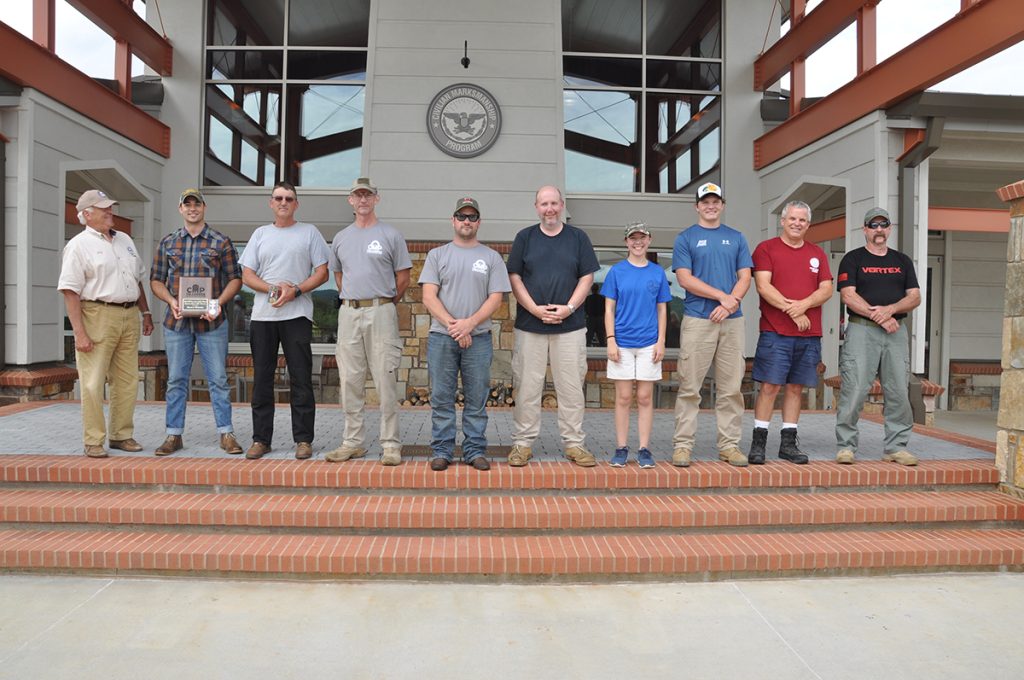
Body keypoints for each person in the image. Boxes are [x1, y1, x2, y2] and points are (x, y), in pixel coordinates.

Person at [506, 186, 600, 467]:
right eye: (544, 203)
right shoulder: (525, 238)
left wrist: (569, 308)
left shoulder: (578, 238)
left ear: (562, 206)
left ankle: (574, 444)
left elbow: (587, 277)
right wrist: (533, 308)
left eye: (554, 203)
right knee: (527, 388)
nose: (549, 209)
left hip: (570, 327)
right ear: (536, 207)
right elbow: (515, 277)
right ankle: (522, 444)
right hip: (530, 326)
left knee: (571, 388)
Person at [58, 189, 154, 457]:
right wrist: (79, 333)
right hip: (96, 314)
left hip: (129, 314)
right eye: (103, 209)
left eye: (110, 207)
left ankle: (121, 435)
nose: (110, 212)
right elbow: (69, 291)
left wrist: (145, 313)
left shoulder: (124, 240)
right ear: (87, 214)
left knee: (127, 381)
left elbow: (137, 280)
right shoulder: (78, 245)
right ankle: (93, 440)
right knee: (92, 382)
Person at [239, 182, 330, 460]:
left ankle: (303, 440)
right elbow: (247, 275)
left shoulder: (309, 232)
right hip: (264, 317)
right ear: (271, 202)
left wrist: (296, 290)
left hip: (297, 316)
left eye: (289, 198)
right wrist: (274, 290)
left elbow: (323, 272)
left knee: (301, 379)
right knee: (263, 378)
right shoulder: (260, 234)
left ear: (296, 204)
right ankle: (260, 439)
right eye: (278, 198)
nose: (283, 202)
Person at [150, 188, 244, 456]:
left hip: (212, 323)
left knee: (218, 379)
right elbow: (156, 280)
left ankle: (226, 433)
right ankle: (173, 435)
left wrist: (218, 303)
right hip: (177, 323)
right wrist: (170, 300)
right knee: (176, 379)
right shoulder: (168, 243)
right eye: (187, 204)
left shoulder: (220, 241)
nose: (192, 208)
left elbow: (235, 279)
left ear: (204, 207)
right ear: (180, 209)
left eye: (197, 204)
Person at [419, 197, 511, 471]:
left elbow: (496, 299)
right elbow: (428, 296)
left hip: (478, 339)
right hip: (442, 338)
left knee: (476, 397)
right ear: (453, 220)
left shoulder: (491, 257)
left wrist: (469, 325)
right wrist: (455, 326)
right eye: (462, 216)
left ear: (479, 222)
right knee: (442, 397)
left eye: (472, 217)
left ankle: (474, 450)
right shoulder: (437, 255)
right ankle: (443, 450)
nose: (466, 221)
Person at [326, 177, 412, 466]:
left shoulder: (390, 235)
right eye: (357, 195)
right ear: (350, 200)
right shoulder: (341, 238)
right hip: (349, 312)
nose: (363, 200)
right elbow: (338, 276)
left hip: (381, 311)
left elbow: (403, 277)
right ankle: (353, 442)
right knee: (350, 380)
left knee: (385, 378)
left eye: (368, 195)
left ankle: (390, 444)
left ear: (377, 198)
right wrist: (353, 299)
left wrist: (384, 302)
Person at [671, 182, 753, 467]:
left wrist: (732, 302)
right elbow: (684, 279)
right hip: (698, 319)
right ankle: (683, 446)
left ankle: (729, 446)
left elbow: (745, 276)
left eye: (715, 201)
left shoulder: (736, 238)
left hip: (732, 323)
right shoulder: (686, 238)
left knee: (731, 389)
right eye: (705, 201)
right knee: (690, 388)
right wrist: (723, 297)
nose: (710, 206)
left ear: (722, 205)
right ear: (697, 206)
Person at [835, 207, 922, 466]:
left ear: (890, 228)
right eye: (873, 225)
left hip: (896, 332)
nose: (879, 230)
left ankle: (896, 447)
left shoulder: (902, 261)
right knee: (855, 388)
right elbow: (848, 295)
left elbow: (915, 296)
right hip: (862, 330)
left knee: (897, 390)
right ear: (865, 230)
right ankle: (846, 446)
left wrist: (891, 311)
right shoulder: (853, 259)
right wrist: (880, 317)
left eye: (883, 225)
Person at [749, 201, 834, 465]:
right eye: (792, 219)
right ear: (783, 221)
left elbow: (826, 289)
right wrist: (793, 312)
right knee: (770, 386)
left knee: (796, 388)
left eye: (802, 220)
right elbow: (763, 286)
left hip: (809, 336)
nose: (797, 224)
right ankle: (758, 442)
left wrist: (804, 306)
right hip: (776, 333)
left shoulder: (816, 253)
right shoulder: (766, 249)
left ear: (808, 225)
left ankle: (788, 443)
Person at [602, 223, 672, 468]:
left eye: (642, 238)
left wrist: (661, 341)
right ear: (626, 242)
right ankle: (621, 447)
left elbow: (662, 309)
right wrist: (610, 340)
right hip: (621, 342)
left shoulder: (657, 272)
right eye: (633, 238)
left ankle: (644, 448)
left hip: (648, 343)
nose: (638, 242)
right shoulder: (616, 272)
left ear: (649, 240)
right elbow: (608, 309)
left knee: (644, 397)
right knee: (622, 397)